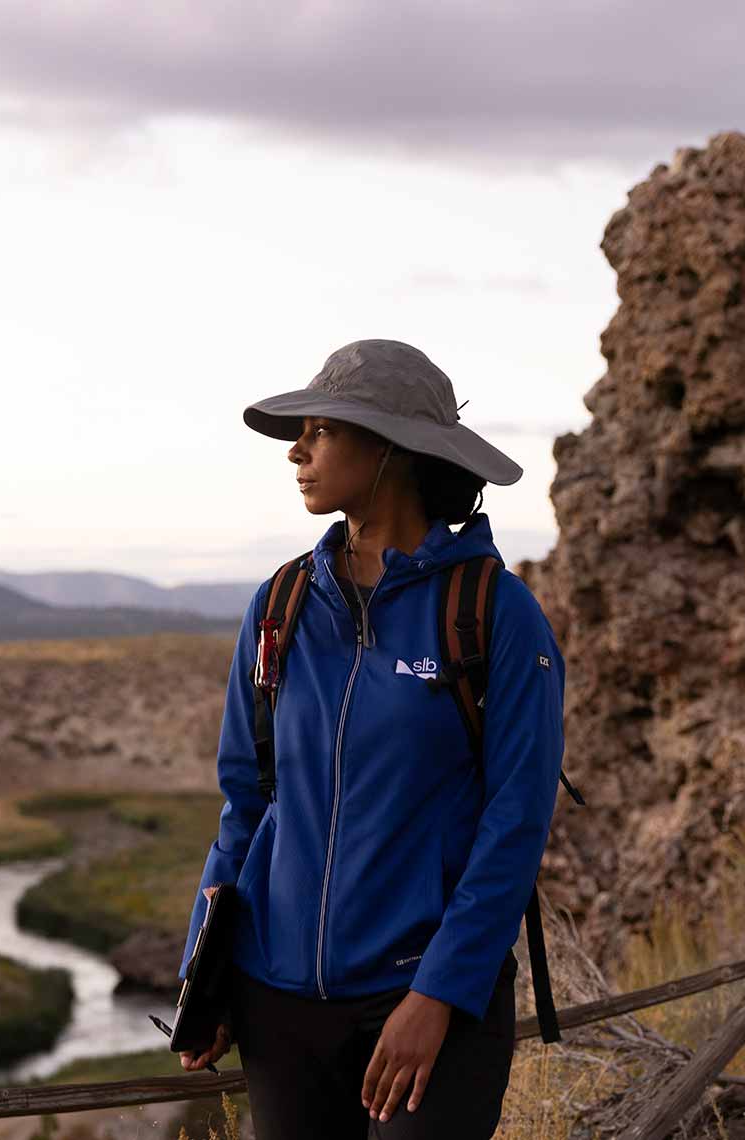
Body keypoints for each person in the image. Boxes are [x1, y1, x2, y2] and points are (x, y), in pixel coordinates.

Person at [175, 339, 566, 1139]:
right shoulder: (278, 604)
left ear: (389, 449)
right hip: (277, 1001)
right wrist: (204, 973)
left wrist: (441, 994)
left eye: (322, 429)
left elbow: (516, 823)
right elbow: (246, 802)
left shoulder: (493, 613)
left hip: (425, 998)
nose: (297, 451)